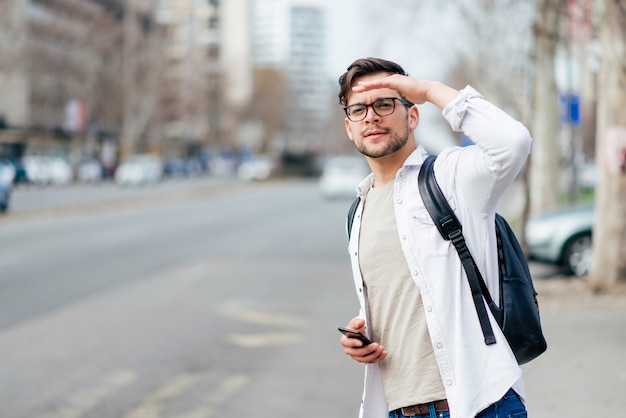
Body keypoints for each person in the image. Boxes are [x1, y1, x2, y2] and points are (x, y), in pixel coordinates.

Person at [337, 57, 532, 418]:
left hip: (479, 404)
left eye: (384, 103)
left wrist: (428, 90)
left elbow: (512, 142)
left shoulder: (450, 177)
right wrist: (359, 334)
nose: (371, 116)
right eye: (359, 109)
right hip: (397, 408)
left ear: (413, 115)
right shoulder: (358, 211)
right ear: (349, 127)